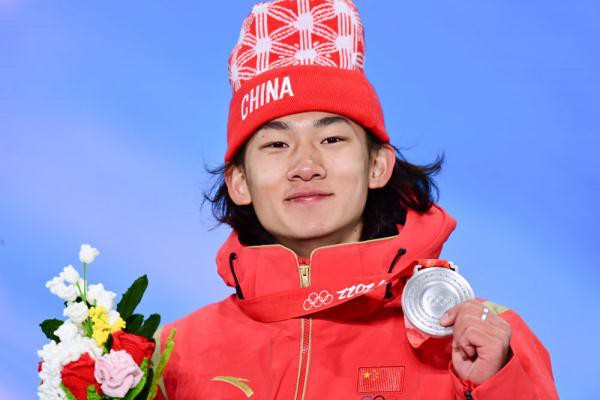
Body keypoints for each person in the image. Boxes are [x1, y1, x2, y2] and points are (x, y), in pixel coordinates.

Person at [155, 1, 559, 398]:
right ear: (239, 182)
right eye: (276, 144)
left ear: (377, 165)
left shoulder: (483, 342)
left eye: (332, 139)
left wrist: (494, 386)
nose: (306, 166)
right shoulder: (168, 356)